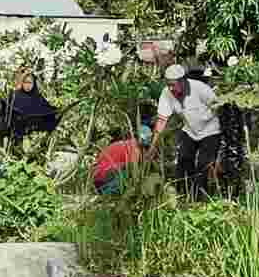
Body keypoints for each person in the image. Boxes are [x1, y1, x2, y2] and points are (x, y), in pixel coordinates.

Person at [152, 64, 221, 199]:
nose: (171, 88)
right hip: (190, 130)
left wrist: (207, 120)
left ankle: (200, 197)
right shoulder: (167, 93)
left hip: (210, 130)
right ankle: (184, 194)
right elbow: (161, 121)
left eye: (173, 85)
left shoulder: (200, 88)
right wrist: (153, 146)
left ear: (183, 81)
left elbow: (217, 106)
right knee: (183, 159)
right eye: (168, 85)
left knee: (203, 164)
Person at [0, 70, 62, 149]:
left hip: (26, 137)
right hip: (9, 135)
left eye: (30, 82)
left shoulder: (38, 98)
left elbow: (48, 113)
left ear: (34, 83)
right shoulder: (14, 96)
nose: (27, 85)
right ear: (22, 83)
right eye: (25, 82)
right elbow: (3, 112)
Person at [93, 125, 153, 194]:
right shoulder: (134, 148)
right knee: (128, 172)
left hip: (96, 174)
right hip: (104, 176)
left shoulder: (125, 143)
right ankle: (107, 193)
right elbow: (133, 168)